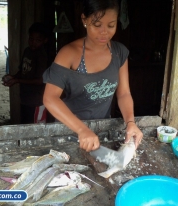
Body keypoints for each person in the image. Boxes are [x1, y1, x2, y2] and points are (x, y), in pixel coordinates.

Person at [43, 0, 143, 152]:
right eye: (97, 25)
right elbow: (50, 98)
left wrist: (130, 122)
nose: (104, 32)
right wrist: (82, 130)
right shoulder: (69, 53)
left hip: (101, 130)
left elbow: (123, 93)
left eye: (111, 25)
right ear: (84, 20)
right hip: (70, 129)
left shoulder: (119, 52)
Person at [2, 22, 49, 124]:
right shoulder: (27, 51)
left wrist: (17, 80)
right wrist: (13, 77)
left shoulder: (42, 57)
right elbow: (23, 70)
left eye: (38, 40)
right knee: (26, 123)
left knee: (36, 128)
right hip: (26, 98)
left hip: (37, 100)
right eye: (31, 39)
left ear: (45, 40)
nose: (33, 43)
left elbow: (40, 81)